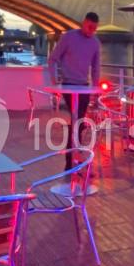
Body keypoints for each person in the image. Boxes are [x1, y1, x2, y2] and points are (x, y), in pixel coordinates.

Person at [47, 12, 101, 169]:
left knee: (80, 121)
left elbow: (96, 68)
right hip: (68, 85)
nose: (91, 31)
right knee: (78, 120)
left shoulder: (95, 43)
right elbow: (53, 59)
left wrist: (95, 89)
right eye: (90, 27)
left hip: (84, 86)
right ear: (84, 22)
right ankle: (71, 160)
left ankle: (73, 156)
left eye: (94, 29)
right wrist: (54, 81)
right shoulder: (68, 37)